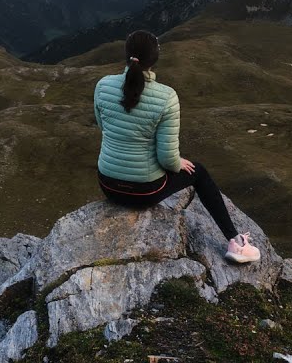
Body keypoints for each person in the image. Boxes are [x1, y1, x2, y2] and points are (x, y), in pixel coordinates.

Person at [93, 29, 260, 264]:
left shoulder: (103, 86)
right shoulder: (167, 97)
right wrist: (177, 162)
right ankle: (236, 242)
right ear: (154, 59)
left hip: (108, 185)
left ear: (127, 55)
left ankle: (236, 242)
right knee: (199, 172)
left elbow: (104, 127)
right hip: (143, 193)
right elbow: (167, 159)